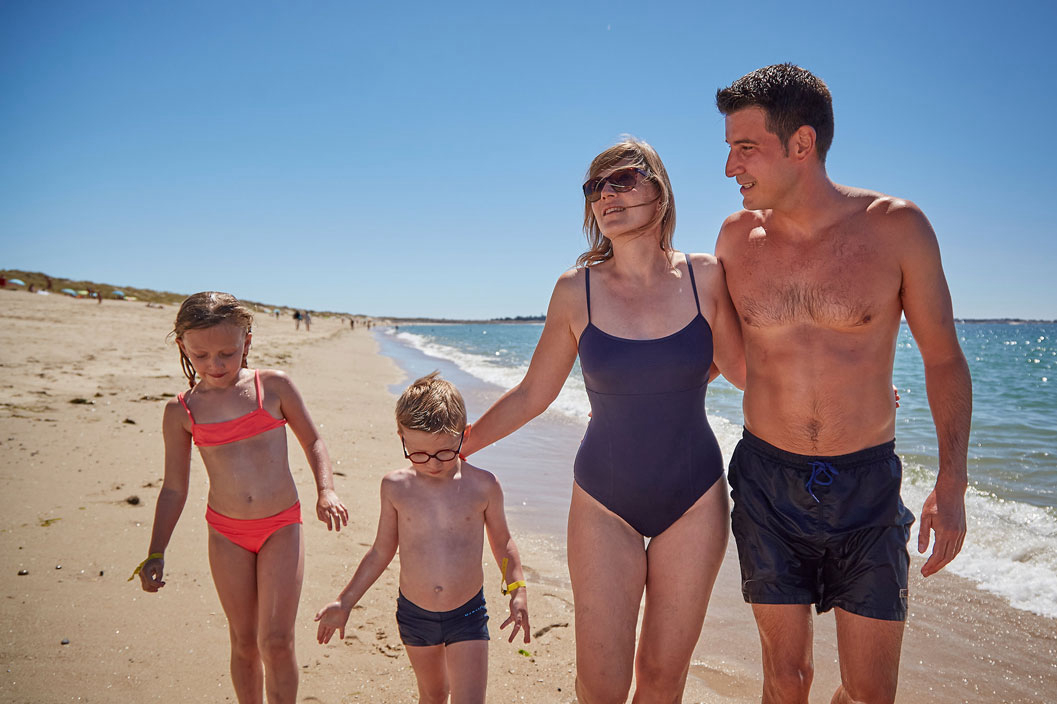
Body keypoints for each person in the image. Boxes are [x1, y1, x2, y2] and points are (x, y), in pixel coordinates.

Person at [714, 64, 973, 704]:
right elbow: (722, 351)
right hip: (768, 482)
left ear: (801, 145)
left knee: (869, 693)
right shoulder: (733, 240)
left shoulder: (896, 228)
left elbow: (942, 359)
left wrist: (952, 481)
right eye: (728, 149)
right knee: (787, 678)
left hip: (866, 489)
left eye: (745, 148)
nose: (729, 167)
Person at [460, 138, 745, 703]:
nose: (607, 195)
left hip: (694, 500)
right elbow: (533, 395)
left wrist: (844, 397)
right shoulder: (575, 290)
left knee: (663, 682)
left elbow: (746, 372)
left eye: (623, 180)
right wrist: (459, 446)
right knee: (601, 685)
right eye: (595, 187)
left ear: (660, 194)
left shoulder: (706, 277)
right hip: (603, 502)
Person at [132, 291, 350, 704]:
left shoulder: (274, 387)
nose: (215, 365)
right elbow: (174, 488)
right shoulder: (181, 412)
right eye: (201, 355)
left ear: (247, 343)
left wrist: (326, 490)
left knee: (277, 640)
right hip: (227, 533)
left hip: (280, 526)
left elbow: (314, 440)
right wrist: (156, 551)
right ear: (183, 348)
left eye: (227, 354)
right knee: (244, 642)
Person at [315, 372, 529, 704]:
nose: (431, 464)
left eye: (444, 452)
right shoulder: (396, 487)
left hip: (468, 613)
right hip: (415, 615)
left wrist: (517, 589)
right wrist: (346, 601)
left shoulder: (483, 486)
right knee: (432, 695)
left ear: (465, 435)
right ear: (401, 438)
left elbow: (503, 542)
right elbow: (380, 551)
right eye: (418, 454)